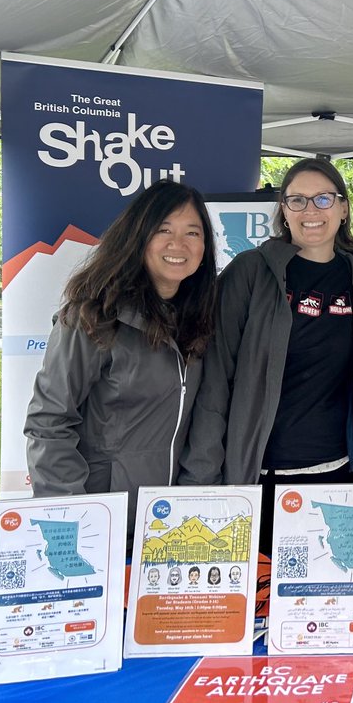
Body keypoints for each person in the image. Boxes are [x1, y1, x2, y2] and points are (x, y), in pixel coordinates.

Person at [179, 158, 353, 550]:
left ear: (343, 208)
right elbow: (215, 377)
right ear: (283, 211)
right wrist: (203, 477)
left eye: (323, 199)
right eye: (297, 200)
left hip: (337, 473)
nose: (311, 211)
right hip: (259, 473)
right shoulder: (251, 272)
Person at [24, 179, 217, 523]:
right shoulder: (93, 317)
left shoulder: (199, 320)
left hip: (170, 520)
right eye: (163, 230)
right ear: (138, 237)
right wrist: (72, 515)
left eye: (193, 233)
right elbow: (49, 422)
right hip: (104, 517)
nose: (178, 244)